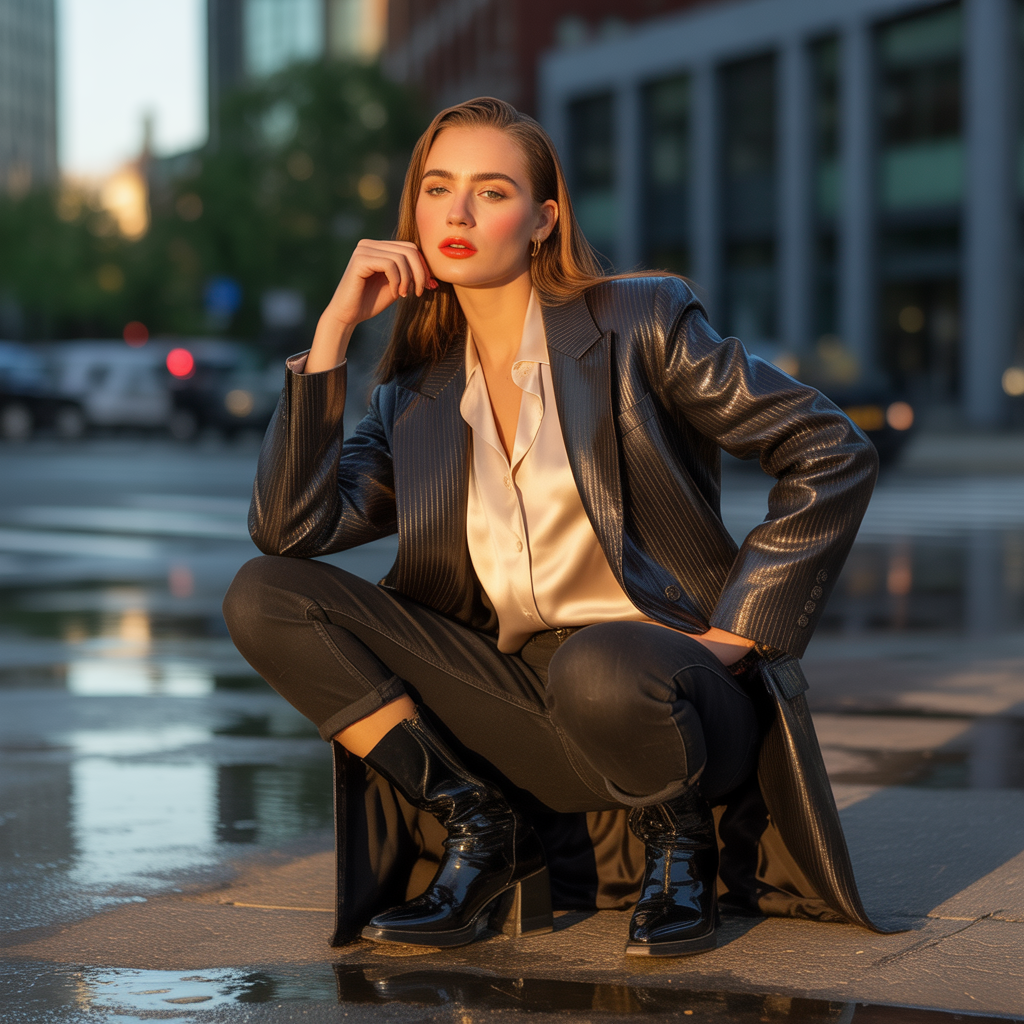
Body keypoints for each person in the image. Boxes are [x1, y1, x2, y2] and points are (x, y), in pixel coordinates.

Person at [223, 97, 878, 958]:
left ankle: (680, 844)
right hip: (522, 701)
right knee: (264, 593)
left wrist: (736, 635)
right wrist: (334, 331)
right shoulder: (414, 391)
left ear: (543, 219)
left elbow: (830, 448)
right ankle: (478, 825)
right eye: (437, 188)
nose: (457, 214)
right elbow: (290, 528)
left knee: (599, 661)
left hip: (666, 689)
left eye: (491, 192)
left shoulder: (637, 321)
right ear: (412, 212)